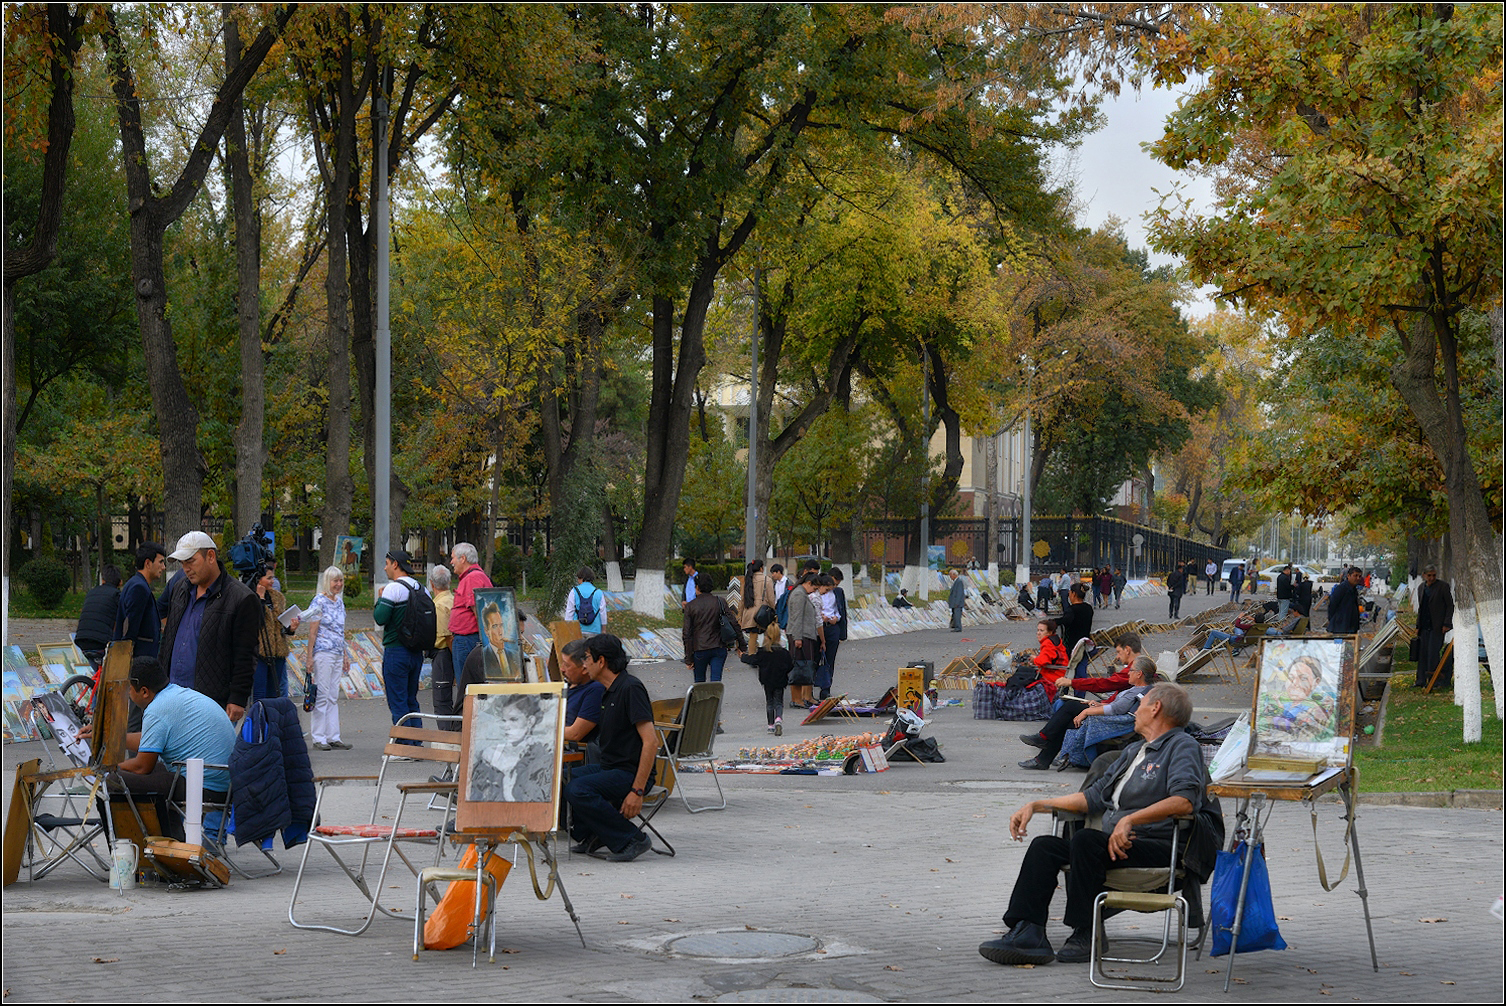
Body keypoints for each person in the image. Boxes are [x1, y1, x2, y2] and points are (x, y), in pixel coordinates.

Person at [978, 683, 1214, 966]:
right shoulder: (1134, 752)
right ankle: (1028, 933)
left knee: (1086, 840)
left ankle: (1086, 932)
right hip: (1113, 844)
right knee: (1045, 847)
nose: (1135, 711)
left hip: (1158, 845)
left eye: (1140, 704)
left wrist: (1130, 819)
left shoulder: (1181, 746)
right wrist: (1037, 805)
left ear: (1156, 708)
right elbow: (1091, 798)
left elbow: (1185, 801)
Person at [112, 655, 237, 842]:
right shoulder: (175, 695)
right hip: (224, 782)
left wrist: (109, 768)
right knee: (155, 775)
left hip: (205, 786)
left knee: (113, 781)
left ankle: (133, 847)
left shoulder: (157, 710)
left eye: (129, 690)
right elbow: (149, 742)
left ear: (144, 691)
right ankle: (172, 841)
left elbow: (141, 766)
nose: (128, 695)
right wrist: (110, 737)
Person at [563, 634, 657, 862]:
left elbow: (651, 741)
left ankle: (631, 838)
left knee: (578, 788)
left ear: (601, 661)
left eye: (586, 658)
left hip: (630, 773)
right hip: (610, 767)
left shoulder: (630, 688)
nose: (584, 665)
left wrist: (637, 791)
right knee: (561, 779)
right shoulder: (606, 690)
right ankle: (594, 832)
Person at [160, 531, 261, 721]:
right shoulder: (179, 589)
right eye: (182, 563)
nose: (186, 568)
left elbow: (245, 654)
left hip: (211, 702)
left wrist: (238, 697)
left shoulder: (241, 598)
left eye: (191, 561)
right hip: (171, 695)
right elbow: (168, 641)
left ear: (211, 556)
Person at [1019, 655, 1158, 770]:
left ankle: (1043, 744)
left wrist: (1086, 712)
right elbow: (1118, 706)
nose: (1128, 672)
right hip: (1112, 716)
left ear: (1139, 674)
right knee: (1069, 713)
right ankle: (1042, 756)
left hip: (1113, 721)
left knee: (1071, 708)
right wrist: (1099, 704)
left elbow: (1117, 710)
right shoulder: (1137, 689)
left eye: (1131, 670)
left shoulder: (1138, 691)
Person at [372, 549, 427, 728]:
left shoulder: (393, 588)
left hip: (396, 650)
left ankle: (404, 747)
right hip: (416, 651)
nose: (385, 568)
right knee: (411, 700)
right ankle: (416, 743)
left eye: (387, 564)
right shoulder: (421, 588)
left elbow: (380, 618)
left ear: (395, 565)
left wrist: (380, 600)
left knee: (398, 701)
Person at [468, 695, 553, 803]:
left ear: (530, 721)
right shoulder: (491, 754)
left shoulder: (540, 755)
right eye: (504, 720)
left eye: (513, 719)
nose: (507, 726)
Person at [304, 566, 351, 751]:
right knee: (322, 695)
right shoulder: (319, 601)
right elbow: (312, 632)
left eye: (340, 581)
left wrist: (345, 654)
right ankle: (318, 737)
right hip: (323, 652)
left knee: (333, 695)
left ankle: (333, 736)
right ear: (327, 582)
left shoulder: (339, 602)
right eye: (335, 581)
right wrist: (309, 657)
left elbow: (341, 631)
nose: (338, 584)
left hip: (337, 652)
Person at [681, 571, 745, 684]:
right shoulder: (720, 601)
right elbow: (734, 623)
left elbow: (687, 634)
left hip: (699, 649)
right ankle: (715, 700)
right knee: (716, 682)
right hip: (718, 647)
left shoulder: (690, 606)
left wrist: (688, 658)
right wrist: (742, 645)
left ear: (697, 587)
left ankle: (703, 702)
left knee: (699, 683)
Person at [1257, 654, 1337, 742]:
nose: (1294, 683)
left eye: (1303, 678)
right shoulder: (1287, 704)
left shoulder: (1315, 710)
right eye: (1291, 678)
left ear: (1316, 682)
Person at [251, 564, 299, 702]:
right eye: (269, 578)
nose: (273, 581)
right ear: (258, 579)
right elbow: (255, 621)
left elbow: (281, 627)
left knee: (275, 692)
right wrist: (259, 599)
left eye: (273, 577)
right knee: (260, 693)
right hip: (259, 652)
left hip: (278, 652)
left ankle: (273, 721)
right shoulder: (249, 596)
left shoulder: (278, 597)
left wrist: (291, 628)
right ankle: (259, 721)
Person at [114, 542, 169, 659]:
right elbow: (130, 628)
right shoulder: (139, 588)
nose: (164, 567)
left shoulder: (137, 583)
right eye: (160, 562)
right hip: (138, 659)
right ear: (148, 563)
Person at [447, 542, 491, 678]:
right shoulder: (473, 576)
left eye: (453, 558)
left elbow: (479, 611)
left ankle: (467, 700)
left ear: (463, 558)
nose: (451, 562)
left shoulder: (473, 577)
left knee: (467, 685)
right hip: (469, 639)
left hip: (468, 640)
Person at [74, 564, 123, 671]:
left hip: (81, 640)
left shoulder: (91, 592)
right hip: (100, 643)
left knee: (99, 675)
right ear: (120, 582)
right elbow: (120, 621)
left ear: (103, 580)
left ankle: (94, 686)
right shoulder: (117, 595)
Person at [786, 572, 823, 708]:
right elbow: (797, 618)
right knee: (798, 668)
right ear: (808, 583)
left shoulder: (802, 594)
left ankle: (804, 697)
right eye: (814, 588)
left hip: (804, 635)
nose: (814, 591)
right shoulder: (799, 595)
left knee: (804, 667)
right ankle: (796, 699)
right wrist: (798, 638)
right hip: (800, 636)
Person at [741, 639, 792, 735]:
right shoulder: (784, 653)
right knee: (779, 702)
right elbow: (790, 665)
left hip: (767, 680)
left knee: (769, 702)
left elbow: (753, 660)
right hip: (780, 680)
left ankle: (770, 725)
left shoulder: (763, 652)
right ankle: (778, 719)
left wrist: (743, 656)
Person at [1414, 565, 1454, 688]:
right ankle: (1420, 680)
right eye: (1429, 575)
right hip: (1424, 626)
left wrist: (1447, 623)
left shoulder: (1442, 587)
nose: (1432, 578)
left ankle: (1434, 680)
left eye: (1434, 575)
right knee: (1422, 654)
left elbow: (1450, 606)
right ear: (1424, 575)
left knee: (1433, 653)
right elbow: (1421, 608)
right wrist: (1418, 625)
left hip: (1437, 626)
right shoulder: (1421, 588)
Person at [559, 638, 604, 746]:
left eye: (567, 665)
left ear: (584, 668)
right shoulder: (570, 684)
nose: (562, 669)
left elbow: (575, 734)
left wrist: (540, 730)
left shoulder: (595, 690)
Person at [427, 565, 457, 723]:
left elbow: (447, 637)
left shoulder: (439, 606)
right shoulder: (453, 600)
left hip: (444, 654)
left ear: (431, 584)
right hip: (452, 652)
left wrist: (455, 661)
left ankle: (446, 736)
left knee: (442, 701)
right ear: (450, 582)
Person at [738, 559, 779, 652]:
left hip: (749, 612)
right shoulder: (767, 579)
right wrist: (773, 611)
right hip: (763, 612)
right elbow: (771, 598)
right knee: (767, 635)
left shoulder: (748, 580)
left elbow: (742, 600)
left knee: (753, 636)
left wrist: (740, 616)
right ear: (761, 568)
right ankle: (765, 655)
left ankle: (751, 656)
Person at [564, 566, 606, 634]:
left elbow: (570, 611)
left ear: (581, 578)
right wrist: (603, 629)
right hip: (595, 630)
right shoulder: (598, 592)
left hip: (577, 630)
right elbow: (602, 612)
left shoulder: (574, 591)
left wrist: (568, 628)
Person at [1059, 584, 1094, 663]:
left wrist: (1053, 622)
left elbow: (1065, 621)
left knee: (1071, 666)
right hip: (1084, 643)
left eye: (1070, 593)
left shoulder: (1071, 610)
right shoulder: (1088, 608)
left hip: (1072, 645)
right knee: (1082, 665)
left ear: (1074, 594)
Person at [1326, 566, 1364, 635]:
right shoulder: (1341, 588)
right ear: (1348, 576)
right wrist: (1334, 620)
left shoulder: (1354, 590)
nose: (1358, 578)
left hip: (1351, 626)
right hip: (1340, 627)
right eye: (1355, 576)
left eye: (1359, 576)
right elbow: (1332, 605)